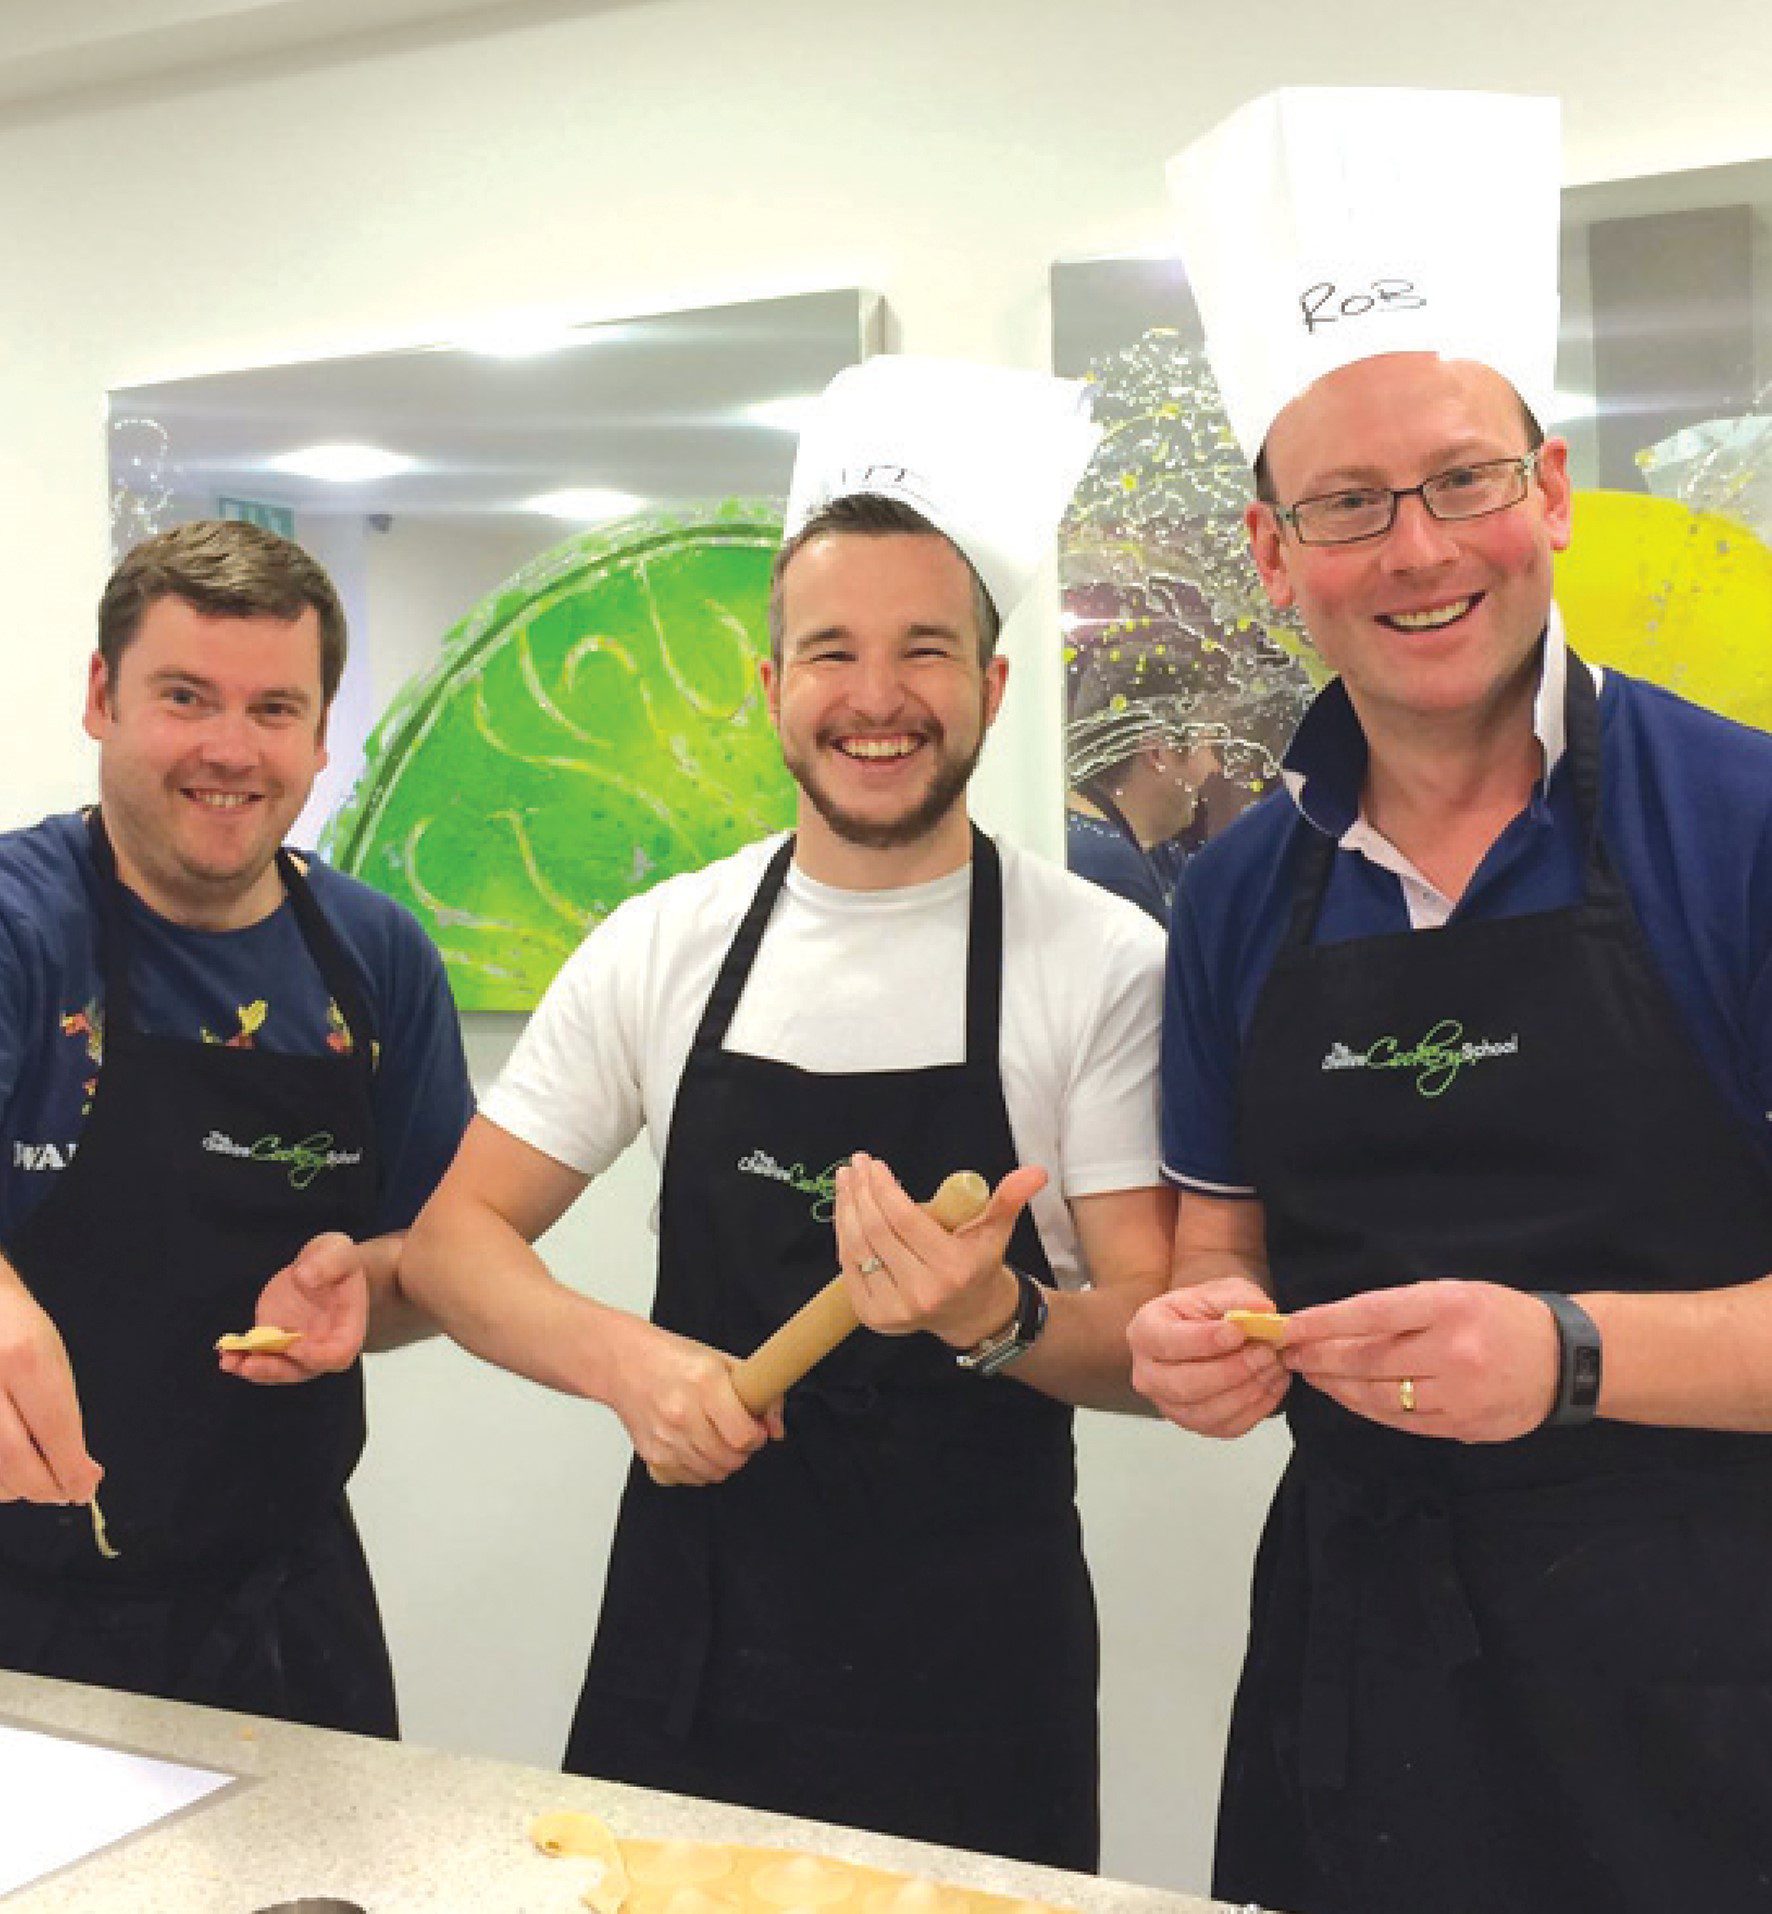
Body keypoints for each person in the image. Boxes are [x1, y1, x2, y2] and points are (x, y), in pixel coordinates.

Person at [1128, 88, 1772, 1914]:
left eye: (1459, 480)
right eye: (1345, 503)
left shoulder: (1744, 826)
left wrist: (1567, 1354)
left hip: (1710, 1709)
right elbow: (1214, 1247)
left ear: (1545, 491)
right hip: (1359, 1692)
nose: (1414, 550)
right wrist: (1201, 1329)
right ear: (1274, 557)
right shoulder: (1240, 889)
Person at [399, 357, 1174, 1871]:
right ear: (771, 688)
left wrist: (998, 1313)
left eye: (924, 651)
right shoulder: (662, 943)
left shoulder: (1099, 963)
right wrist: (633, 1366)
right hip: (692, 1657)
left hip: (975, 1686)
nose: (875, 697)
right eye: (830, 651)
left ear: (992, 686)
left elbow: (1155, 1333)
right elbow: (451, 1243)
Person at [0, 519, 473, 1734]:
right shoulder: (20, 929)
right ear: (101, 698)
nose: (229, 749)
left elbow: (431, 1264)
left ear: (322, 735)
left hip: (285, 1612)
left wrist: (373, 1287)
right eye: (184, 696)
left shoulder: (374, 960)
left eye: (274, 709)